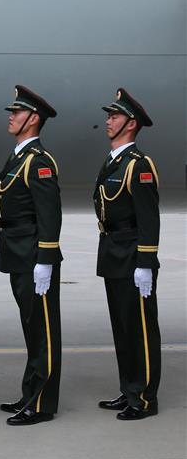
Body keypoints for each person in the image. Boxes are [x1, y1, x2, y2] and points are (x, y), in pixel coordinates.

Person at [0, 85, 62, 425]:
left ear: (33, 119)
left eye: (16, 113)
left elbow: (50, 215)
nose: (11, 116)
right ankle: (29, 393)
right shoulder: (19, 156)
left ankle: (42, 402)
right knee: (31, 328)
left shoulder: (39, 162)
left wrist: (45, 261)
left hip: (34, 256)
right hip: (19, 254)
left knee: (44, 330)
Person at [94, 88, 161, 421]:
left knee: (141, 329)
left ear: (131, 124)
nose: (108, 121)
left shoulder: (139, 165)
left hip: (134, 257)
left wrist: (146, 264)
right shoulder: (114, 162)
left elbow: (149, 219)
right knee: (122, 328)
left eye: (115, 116)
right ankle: (129, 389)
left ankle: (145, 398)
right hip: (112, 254)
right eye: (108, 116)